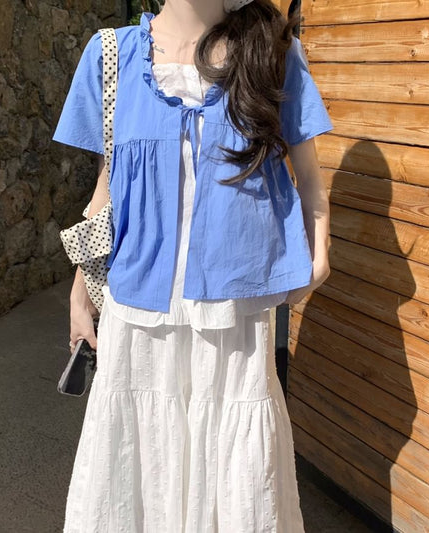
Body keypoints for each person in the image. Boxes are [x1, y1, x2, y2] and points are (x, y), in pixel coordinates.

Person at [52, 0, 333, 531]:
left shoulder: (272, 53)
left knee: (234, 474)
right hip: (138, 311)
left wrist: (319, 250)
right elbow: (109, 186)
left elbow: (310, 179)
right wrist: (80, 289)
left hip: (233, 315)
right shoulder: (111, 56)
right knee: (137, 469)